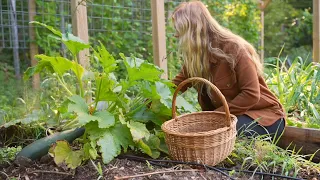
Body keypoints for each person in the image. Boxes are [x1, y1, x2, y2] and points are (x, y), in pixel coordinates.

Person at [171, 1, 286, 140]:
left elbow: (251, 94)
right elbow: (175, 86)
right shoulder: (197, 57)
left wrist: (215, 117)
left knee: (215, 132)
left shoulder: (234, 49)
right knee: (204, 131)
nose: (176, 36)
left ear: (193, 31)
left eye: (180, 31)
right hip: (231, 117)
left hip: (264, 117)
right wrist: (150, 100)